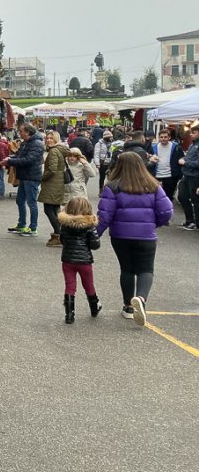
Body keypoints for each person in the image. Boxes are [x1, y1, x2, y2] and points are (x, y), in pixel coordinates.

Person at [96, 152, 174, 326]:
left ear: (119, 166)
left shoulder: (113, 187)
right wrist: (154, 224)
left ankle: (128, 307)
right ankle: (141, 298)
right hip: (146, 235)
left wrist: (95, 234)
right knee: (146, 269)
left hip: (120, 235)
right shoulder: (153, 186)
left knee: (127, 270)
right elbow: (166, 211)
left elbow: (104, 215)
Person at [58, 196, 102, 324]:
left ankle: (69, 314)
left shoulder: (65, 225)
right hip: (84, 261)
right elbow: (95, 245)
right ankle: (94, 307)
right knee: (88, 285)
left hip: (68, 260)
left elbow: (62, 240)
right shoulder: (90, 227)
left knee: (70, 286)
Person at [1, 124, 44, 236]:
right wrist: (10, 158)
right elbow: (19, 155)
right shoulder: (26, 142)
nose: (19, 133)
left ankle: (33, 228)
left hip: (31, 177)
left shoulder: (37, 143)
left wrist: (10, 161)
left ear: (27, 132)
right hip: (24, 176)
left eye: (21, 131)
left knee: (31, 203)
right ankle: (21, 225)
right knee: (20, 201)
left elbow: (28, 160)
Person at [39, 130, 70, 247]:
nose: (48, 140)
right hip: (58, 183)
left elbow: (52, 169)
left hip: (52, 184)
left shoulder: (53, 151)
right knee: (55, 209)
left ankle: (59, 235)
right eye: (47, 138)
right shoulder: (60, 150)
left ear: (56, 139)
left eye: (51, 138)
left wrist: (42, 177)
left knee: (48, 209)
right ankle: (61, 234)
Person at [151, 128, 183, 202]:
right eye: (161, 137)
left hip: (171, 177)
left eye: (165, 137)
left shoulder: (176, 147)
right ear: (159, 138)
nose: (163, 139)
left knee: (169, 197)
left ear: (169, 137)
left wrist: (179, 174)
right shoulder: (154, 147)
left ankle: (168, 209)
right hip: (157, 176)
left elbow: (182, 159)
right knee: (157, 197)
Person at [179, 124, 199, 230]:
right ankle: (190, 220)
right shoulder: (192, 145)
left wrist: (185, 162)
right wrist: (184, 158)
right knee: (182, 196)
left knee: (196, 200)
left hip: (195, 177)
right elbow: (189, 158)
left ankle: (196, 223)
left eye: (194, 133)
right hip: (186, 175)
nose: (191, 134)